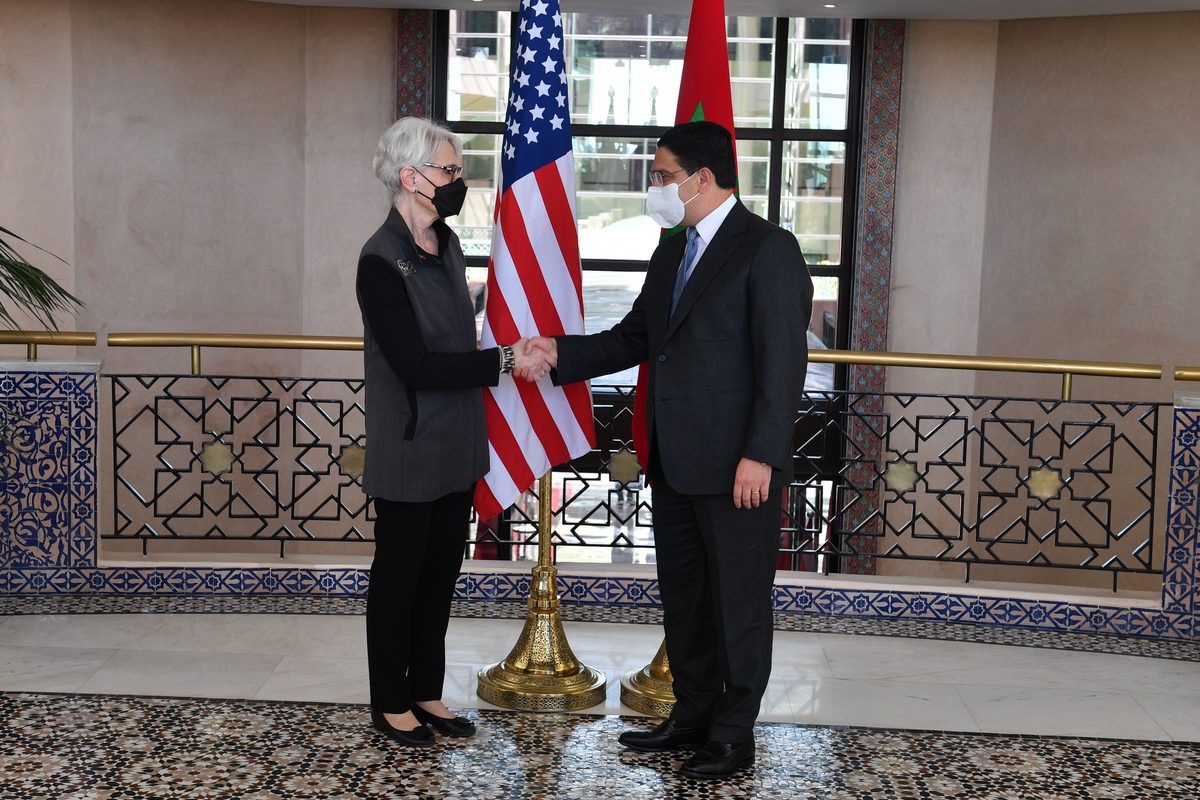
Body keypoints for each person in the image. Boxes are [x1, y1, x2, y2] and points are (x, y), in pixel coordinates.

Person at [521, 120, 812, 779]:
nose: (653, 187)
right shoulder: (672, 251)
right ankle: (692, 715)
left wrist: (762, 454)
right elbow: (634, 338)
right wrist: (559, 352)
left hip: (738, 468)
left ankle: (732, 736)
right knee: (685, 601)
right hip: (675, 463)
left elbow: (782, 365)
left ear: (701, 179)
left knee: (737, 607)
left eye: (661, 176)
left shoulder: (768, 248)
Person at [356, 117, 546, 748]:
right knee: (399, 579)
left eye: (457, 170)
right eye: (449, 170)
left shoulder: (447, 243)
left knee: (439, 576)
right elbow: (413, 364)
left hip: (458, 441)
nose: (458, 180)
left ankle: (426, 691)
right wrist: (503, 361)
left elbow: (457, 341)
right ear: (411, 177)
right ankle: (391, 701)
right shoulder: (379, 260)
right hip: (411, 446)